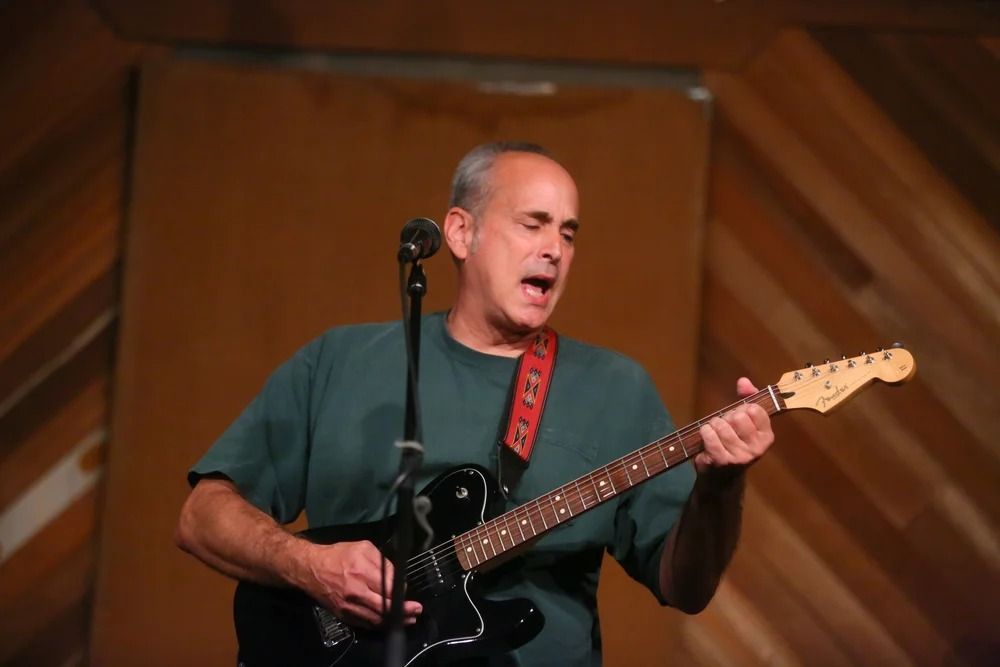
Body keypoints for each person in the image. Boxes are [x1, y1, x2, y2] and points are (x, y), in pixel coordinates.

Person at [175, 142, 774, 665]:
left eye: (568, 233)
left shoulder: (616, 389)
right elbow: (202, 517)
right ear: (460, 233)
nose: (555, 250)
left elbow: (686, 587)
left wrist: (721, 488)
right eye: (532, 224)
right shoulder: (341, 360)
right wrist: (308, 566)